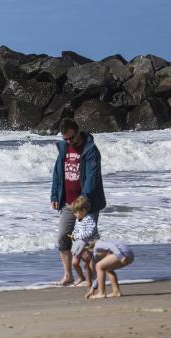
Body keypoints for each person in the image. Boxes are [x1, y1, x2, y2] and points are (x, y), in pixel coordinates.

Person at [51, 117, 106, 285]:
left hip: (86, 205)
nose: (69, 141)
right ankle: (68, 275)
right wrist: (54, 195)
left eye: (71, 137)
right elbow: (57, 173)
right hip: (68, 203)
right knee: (62, 238)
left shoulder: (90, 150)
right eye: (65, 138)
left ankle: (97, 275)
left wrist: (83, 199)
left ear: (78, 131)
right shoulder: (63, 149)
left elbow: (92, 177)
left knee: (87, 242)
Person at [69, 196, 100, 287]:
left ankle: (90, 281)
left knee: (87, 263)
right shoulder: (77, 219)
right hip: (80, 244)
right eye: (74, 212)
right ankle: (81, 277)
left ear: (84, 210)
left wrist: (78, 236)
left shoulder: (89, 219)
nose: (75, 214)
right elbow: (75, 230)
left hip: (90, 244)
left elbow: (90, 232)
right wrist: (73, 236)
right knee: (74, 263)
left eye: (76, 212)